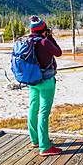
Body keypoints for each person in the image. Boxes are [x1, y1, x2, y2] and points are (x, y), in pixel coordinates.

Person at [27, 15, 62, 156]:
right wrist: (50, 37)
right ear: (43, 30)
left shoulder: (27, 41)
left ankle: (35, 140)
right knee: (43, 113)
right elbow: (58, 52)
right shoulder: (44, 42)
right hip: (46, 82)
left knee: (33, 108)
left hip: (32, 81)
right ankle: (45, 147)